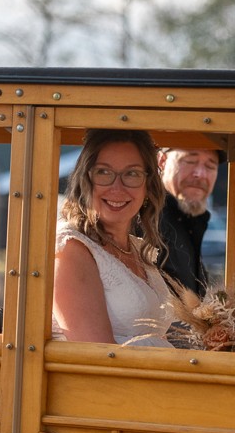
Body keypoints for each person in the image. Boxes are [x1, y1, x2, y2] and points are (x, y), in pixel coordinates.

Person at [53, 129, 174, 347]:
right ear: (85, 179)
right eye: (104, 172)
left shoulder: (137, 249)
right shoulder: (72, 249)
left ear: (148, 185)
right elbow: (97, 359)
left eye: (132, 174)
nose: (117, 187)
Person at [156, 147, 221, 297]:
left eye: (211, 166)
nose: (200, 174)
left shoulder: (188, 222)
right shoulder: (144, 218)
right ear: (162, 161)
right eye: (190, 161)